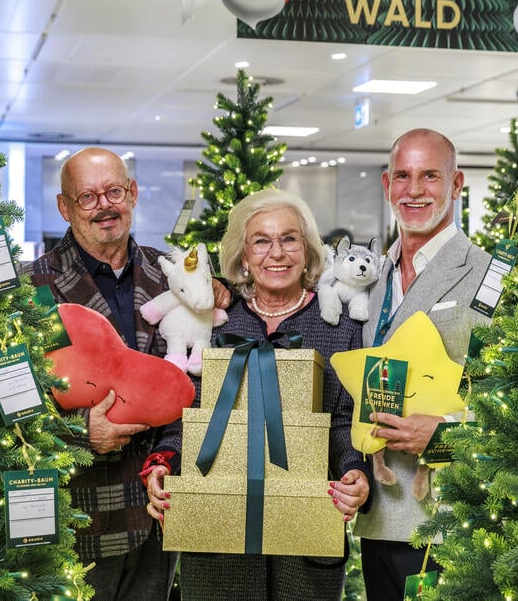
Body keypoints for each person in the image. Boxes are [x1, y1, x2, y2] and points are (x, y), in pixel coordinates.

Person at [142, 188, 372, 600]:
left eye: (289, 239)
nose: (276, 253)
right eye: (261, 241)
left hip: (306, 537)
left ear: (307, 250)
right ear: (243, 257)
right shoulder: (211, 323)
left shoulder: (340, 327)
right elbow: (186, 413)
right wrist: (164, 462)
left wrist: (354, 470)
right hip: (216, 538)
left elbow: (343, 421)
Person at [22, 147, 197, 600]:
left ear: (132, 194)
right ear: (64, 207)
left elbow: (194, 380)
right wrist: (82, 434)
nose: (105, 205)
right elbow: (8, 400)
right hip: (78, 518)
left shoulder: (170, 276)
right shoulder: (31, 288)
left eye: (114, 191)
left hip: (162, 512)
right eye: (88, 197)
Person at [353, 128, 492, 599]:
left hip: (447, 518)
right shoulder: (368, 278)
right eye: (404, 177)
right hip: (377, 515)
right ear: (387, 184)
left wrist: (447, 436)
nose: (415, 191)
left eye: (430, 176)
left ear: (457, 184)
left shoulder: (488, 275)